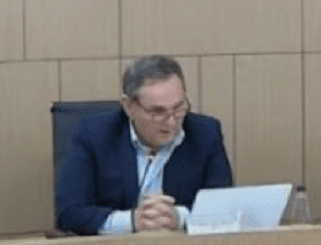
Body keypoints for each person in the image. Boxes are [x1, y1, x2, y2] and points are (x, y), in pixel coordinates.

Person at [55, 55, 233, 235]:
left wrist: (178, 217)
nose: (172, 122)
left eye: (179, 108)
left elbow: (224, 208)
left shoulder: (205, 134)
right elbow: (69, 213)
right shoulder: (95, 135)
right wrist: (133, 220)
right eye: (158, 112)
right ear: (129, 107)